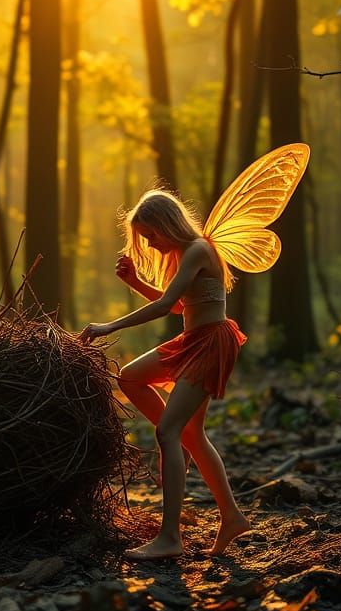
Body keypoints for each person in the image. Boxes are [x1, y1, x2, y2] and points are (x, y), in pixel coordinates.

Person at [79, 190, 251, 560]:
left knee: (170, 431)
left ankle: (170, 537)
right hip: (192, 339)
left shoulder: (198, 249)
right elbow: (176, 304)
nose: (150, 244)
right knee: (131, 378)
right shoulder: (185, 254)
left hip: (209, 343)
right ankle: (232, 516)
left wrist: (109, 326)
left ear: (166, 224)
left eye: (151, 236)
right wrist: (135, 282)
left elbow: (161, 308)